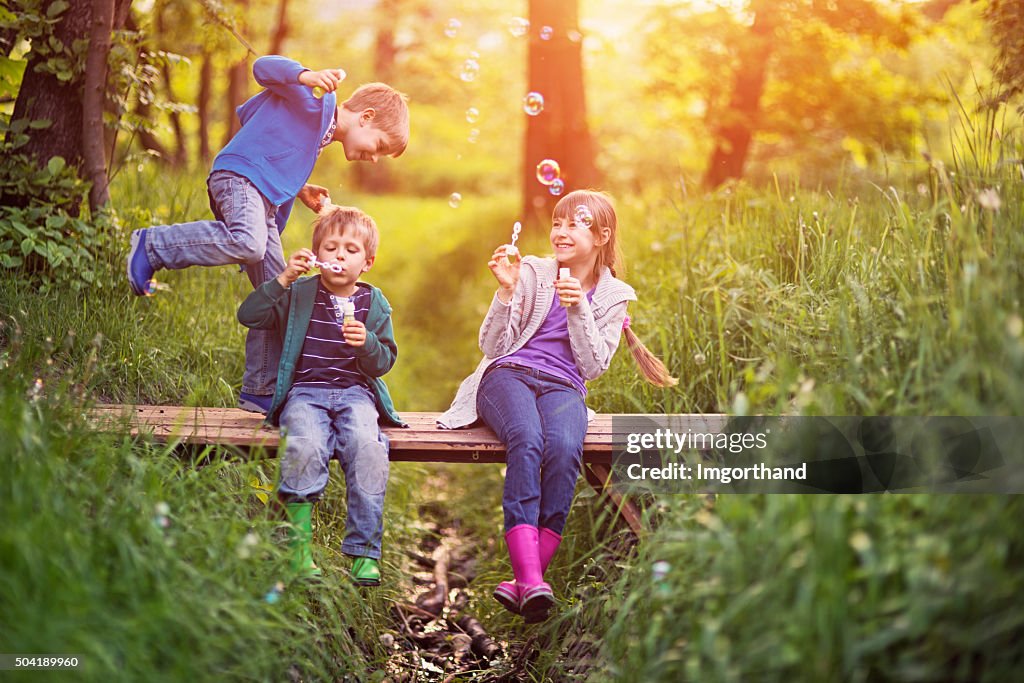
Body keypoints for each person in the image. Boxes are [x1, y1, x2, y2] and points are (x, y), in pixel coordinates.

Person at [438, 190, 677, 622]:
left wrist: (579, 309)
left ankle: (527, 580)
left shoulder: (614, 295)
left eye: (574, 224)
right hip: (507, 375)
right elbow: (493, 346)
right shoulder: (531, 271)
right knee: (527, 440)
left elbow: (593, 365)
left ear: (602, 236)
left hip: (564, 387)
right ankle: (531, 577)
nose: (561, 232)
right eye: (557, 223)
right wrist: (507, 293)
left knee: (565, 451)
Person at [127, 55, 410, 414]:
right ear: (366, 118)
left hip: (263, 196)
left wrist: (300, 188)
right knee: (248, 241)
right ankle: (154, 246)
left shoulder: (318, 138)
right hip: (240, 177)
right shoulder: (316, 99)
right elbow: (263, 67)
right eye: (381, 147)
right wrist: (307, 75)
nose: (375, 159)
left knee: (282, 295)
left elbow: (274, 146)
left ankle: (259, 388)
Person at [237, 206, 403, 585]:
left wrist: (367, 344)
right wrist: (283, 278)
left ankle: (364, 553)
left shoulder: (373, 303)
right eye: (330, 247)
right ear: (317, 256)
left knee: (368, 448)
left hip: (355, 395)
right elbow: (249, 315)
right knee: (305, 445)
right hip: (305, 394)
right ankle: (299, 551)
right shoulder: (299, 293)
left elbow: (384, 362)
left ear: (368, 262)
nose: (339, 255)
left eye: (350, 249)